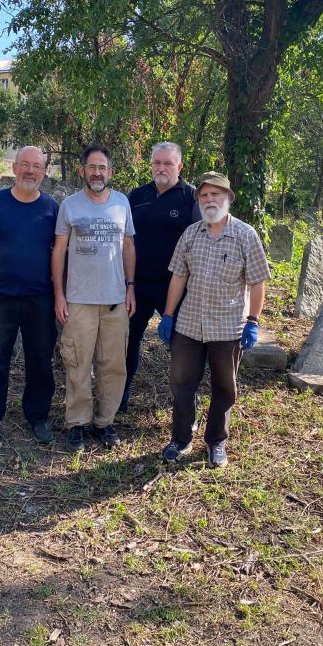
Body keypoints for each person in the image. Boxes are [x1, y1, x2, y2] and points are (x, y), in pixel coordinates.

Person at [158, 172, 270, 469]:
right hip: (189, 324)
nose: (209, 200)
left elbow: (258, 282)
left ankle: (217, 441)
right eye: (204, 196)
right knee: (182, 384)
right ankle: (181, 438)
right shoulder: (191, 234)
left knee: (224, 387)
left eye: (215, 195)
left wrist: (253, 321)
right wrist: (168, 315)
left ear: (227, 199)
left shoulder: (246, 235)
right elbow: (179, 276)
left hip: (228, 326)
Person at [0, 146, 58, 445]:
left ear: (44, 171)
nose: (30, 171)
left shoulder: (53, 209)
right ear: (14, 168)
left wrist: (61, 295)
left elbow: (60, 255)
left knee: (40, 360)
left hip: (40, 298)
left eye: (37, 166)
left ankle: (38, 416)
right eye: (25, 165)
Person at [52, 144, 136, 453]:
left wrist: (130, 287)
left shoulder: (122, 203)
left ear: (110, 172)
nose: (97, 172)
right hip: (78, 300)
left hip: (115, 300)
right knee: (77, 362)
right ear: (82, 170)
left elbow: (128, 247)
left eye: (103, 167)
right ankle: (77, 422)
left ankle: (105, 421)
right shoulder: (70, 205)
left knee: (113, 365)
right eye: (92, 167)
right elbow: (59, 251)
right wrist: (59, 295)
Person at [121, 141, 200, 412]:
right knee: (128, 343)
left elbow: (201, 243)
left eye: (168, 163)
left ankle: (186, 406)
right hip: (138, 286)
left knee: (182, 350)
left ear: (179, 166)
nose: (161, 168)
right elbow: (124, 239)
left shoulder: (191, 198)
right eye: (157, 162)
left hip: (176, 289)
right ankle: (120, 398)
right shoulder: (136, 196)